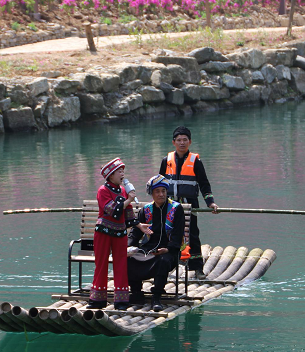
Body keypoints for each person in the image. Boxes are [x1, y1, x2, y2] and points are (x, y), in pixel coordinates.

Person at [89, 158, 150, 310]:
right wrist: (129, 199)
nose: (122, 173)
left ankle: (121, 301)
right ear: (110, 175)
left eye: (123, 170)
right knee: (101, 264)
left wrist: (139, 225)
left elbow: (128, 214)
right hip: (104, 232)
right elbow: (112, 210)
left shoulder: (123, 191)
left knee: (121, 265)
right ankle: (98, 301)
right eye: (119, 171)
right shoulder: (103, 191)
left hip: (120, 233)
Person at [158, 126, 218, 274]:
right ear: (174, 142)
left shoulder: (196, 161)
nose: (182, 143)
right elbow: (159, 184)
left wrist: (210, 202)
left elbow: (204, 184)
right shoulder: (166, 161)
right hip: (170, 205)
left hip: (189, 205)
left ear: (190, 142)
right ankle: (168, 266)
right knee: (168, 235)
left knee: (192, 235)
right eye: (179, 140)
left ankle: (197, 268)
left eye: (185, 140)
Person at [128, 175, 186, 311]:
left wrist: (169, 248)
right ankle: (136, 293)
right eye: (157, 191)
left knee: (163, 261)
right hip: (148, 248)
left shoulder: (176, 209)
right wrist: (128, 247)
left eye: (163, 191)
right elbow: (135, 233)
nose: (161, 194)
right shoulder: (146, 210)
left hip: (170, 250)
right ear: (152, 194)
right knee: (128, 259)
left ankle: (156, 297)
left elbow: (178, 235)